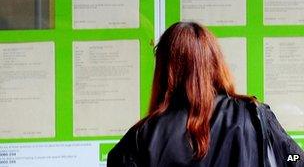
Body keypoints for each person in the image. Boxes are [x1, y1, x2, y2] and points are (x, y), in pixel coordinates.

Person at [107, 22, 304, 167]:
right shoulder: (254, 115)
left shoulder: (142, 136)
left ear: (165, 69)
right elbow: (295, 158)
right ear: (215, 63)